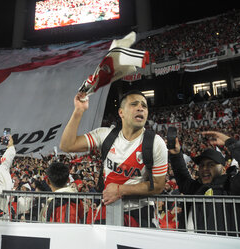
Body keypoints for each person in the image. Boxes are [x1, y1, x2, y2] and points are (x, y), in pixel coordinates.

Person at [60, 90, 168, 226]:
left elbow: (158, 186)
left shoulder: (155, 143)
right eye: (134, 104)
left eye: (144, 106)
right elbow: (67, 145)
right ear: (121, 112)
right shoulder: (105, 135)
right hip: (108, 209)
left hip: (140, 212)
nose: (140, 108)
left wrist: (120, 190)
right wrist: (79, 111)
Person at [168, 130, 240, 235]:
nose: (205, 168)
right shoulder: (195, 188)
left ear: (223, 170)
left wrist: (229, 142)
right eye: (201, 165)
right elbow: (182, 177)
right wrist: (175, 154)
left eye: (211, 164)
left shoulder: (232, 186)